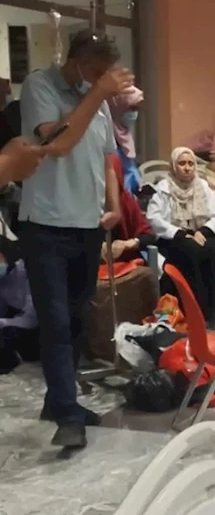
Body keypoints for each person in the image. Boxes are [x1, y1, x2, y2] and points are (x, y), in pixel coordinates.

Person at [18, 29, 132, 448]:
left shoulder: (93, 100)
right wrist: (98, 93)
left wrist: (114, 206)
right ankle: (68, 415)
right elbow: (60, 143)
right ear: (78, 62)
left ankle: (59, 401)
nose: (101, 80)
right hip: (46, 224)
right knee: (56, 322)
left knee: (79, 318)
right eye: (97, 72)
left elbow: (106, 158)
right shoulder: (40, 86)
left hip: (87, 225)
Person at [147, 147, 215, 327]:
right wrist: (180, 234)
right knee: (192, 251)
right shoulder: (164, 187)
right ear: (174, 166)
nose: (187, 168)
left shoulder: (202, 186)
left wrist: (203, 231)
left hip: (198, 234)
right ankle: (194, 312)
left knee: (214, 250)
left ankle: (211, 313)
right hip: (172, 238)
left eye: (190, 163)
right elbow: (153, 218)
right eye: (182, 164)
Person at [101, 153, 156, 263]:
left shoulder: (126, 200)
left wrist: (127, 244)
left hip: (125, 262)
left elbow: (148, 235)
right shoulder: (85, 202)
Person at [0, 224, 38, 374]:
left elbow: (32, 319)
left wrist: (3, 323)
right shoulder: (3, 277)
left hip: (36, 323)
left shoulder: (27, 271)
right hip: (13, 317)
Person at [107, 86, 144, 193]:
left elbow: (129, 169)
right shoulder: (105, 139)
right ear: (117, 106)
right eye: (131, 109)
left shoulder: (125, 138)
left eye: (136, 110)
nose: (134, 114)